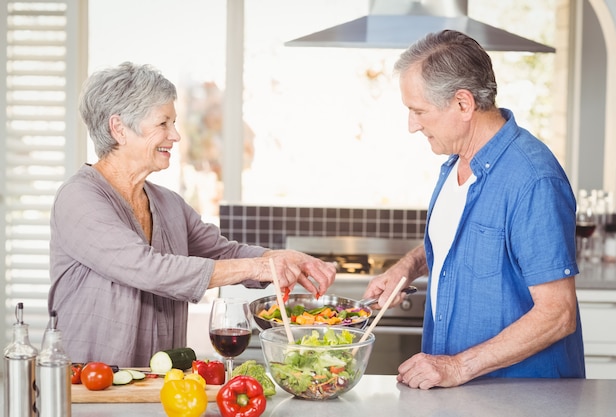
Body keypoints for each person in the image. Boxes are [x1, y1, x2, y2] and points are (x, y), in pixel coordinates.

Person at [48, 62, 336, 367]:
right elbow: (148, 269)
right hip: (87, 389)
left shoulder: (168, 203)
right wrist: (260, 267)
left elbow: (225, 252)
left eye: (174, 123)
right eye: (163, 123)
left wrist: (283, 258)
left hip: (163, 387)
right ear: (118, 128)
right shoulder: (78, 198)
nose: (176, 135)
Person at [362, 30, 585, 389]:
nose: (412, 125)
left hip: (522, 399)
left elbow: (558, 314)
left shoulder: (533, 180)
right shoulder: (457, 164)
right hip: (461, 396)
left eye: (418, 111)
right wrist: (407, 267)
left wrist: (457, 367)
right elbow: (462, 239)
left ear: (464, 104)